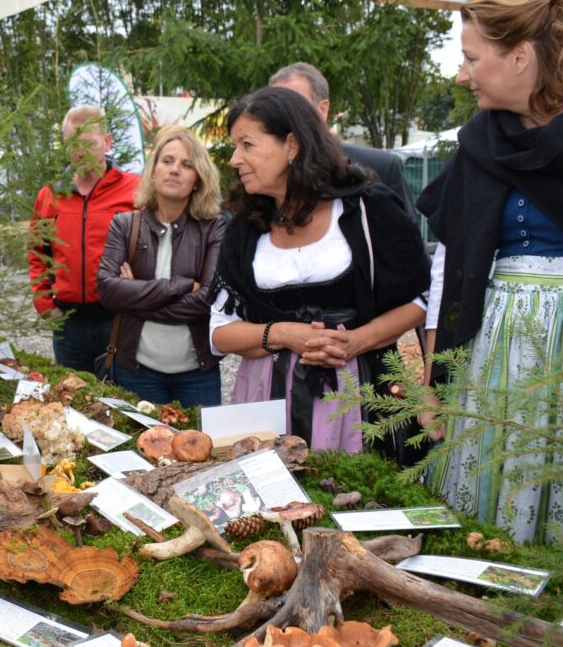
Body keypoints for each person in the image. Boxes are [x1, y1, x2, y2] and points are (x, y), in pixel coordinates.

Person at [417, 0, 563, 544]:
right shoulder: (481, 145)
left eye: (470, 58)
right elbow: (450, 269)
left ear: (520, 56)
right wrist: (434, 380)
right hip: (493, 352)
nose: (462, 74)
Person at [210, 87, 430, 463]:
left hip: (356, 395)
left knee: (354, 501)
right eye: (235, 147)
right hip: (268, 398)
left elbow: (421, 298)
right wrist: (282, 333)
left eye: (247, 145)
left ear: (291, 145)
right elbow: (219, 331)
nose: (234, 159)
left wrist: (356, 341)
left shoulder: (369, 209)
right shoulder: (245, 230)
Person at [96, 126, 226, 407]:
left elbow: (207, 300)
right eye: (167, 161)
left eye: (186, 164)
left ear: (198, 179)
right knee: (140, 449)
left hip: (197, 375)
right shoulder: (125, 225)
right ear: (153, 171)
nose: (175, 169)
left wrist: (133, 295)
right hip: (137, 371)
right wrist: (180, 286)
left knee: (202, 449)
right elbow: (106, 290)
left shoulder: (214, 229)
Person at [28, 105, 140, 372]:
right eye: (72, 144)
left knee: (121, 401)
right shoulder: (50, 195)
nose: (79, 152)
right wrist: (44, 304)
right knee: (73, 398)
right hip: (67, 323)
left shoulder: (134, 191)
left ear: (107, 142)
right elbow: (37, 253)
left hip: (116, 320)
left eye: (88, 144)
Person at [268, 62, 418, 226]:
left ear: (322, 110)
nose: (283, 117)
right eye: (275, 109)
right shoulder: (262, 176)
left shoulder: (381, 168)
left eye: (293, 106)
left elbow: (409, 245)